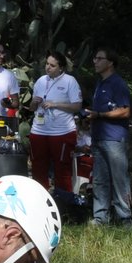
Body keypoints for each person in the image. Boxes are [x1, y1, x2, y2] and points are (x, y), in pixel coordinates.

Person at [84, 46, 132, 226]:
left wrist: (100, 115)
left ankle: (125, 219)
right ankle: (100, 218)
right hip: (98, 137)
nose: (95, 61)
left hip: (114, 139)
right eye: (95, 58)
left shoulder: (117, 83)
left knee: (119, 180)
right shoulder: (100, 83)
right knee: (99, 180)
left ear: (110, 62)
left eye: (99, 58)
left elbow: (125, 111)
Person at [27, 51, 83, 195]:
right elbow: (32, 108)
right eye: (47, 64)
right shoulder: (40, 81)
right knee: (38, 166)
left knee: (62, 169)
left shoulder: (70, 81)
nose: (48, 67)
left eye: (52, 65)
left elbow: (77, 106)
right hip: (39, 130)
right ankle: (40, 199)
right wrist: (33, 103)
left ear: (61, 68)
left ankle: (64, 202)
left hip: (62, 132)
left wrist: (55, 104)